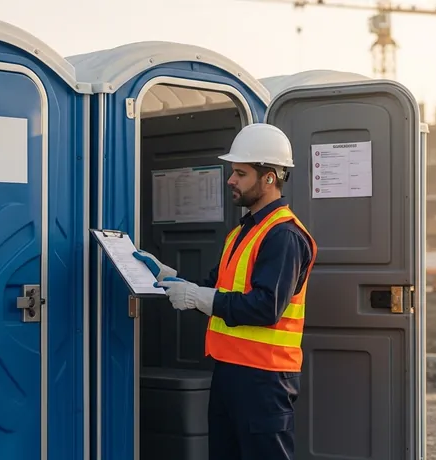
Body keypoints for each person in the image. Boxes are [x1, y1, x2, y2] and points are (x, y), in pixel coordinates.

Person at [132, 123, 318, 460]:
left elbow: (266, 307)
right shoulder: (241, 232)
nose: (230, 180)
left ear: (269, 178)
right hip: (230, 372)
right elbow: (214, 290)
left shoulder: (284, 236)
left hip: (266, 379)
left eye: (240, 173)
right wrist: (169, 276)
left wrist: (198, 296)